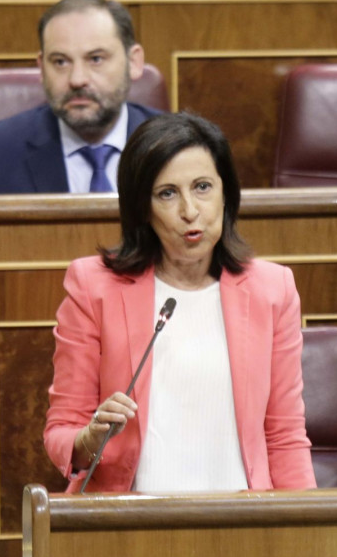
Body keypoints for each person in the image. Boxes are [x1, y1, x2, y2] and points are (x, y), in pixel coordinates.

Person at [44, 112, 317, 493]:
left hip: (244, 521)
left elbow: (285, 435)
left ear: (226, 194)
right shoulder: (93, 287)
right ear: (143, 208)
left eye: (203, 187)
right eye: (167, 193)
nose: (190, 210)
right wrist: (90, 440)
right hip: (130, 527)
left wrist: (302, 536)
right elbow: (61, 431)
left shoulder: (273, 289)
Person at [0, 0, 163, 194]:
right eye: (60, 62)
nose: (77, 79)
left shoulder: (183, 148)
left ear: (134, 62)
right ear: (42, 68)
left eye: (96, 59)